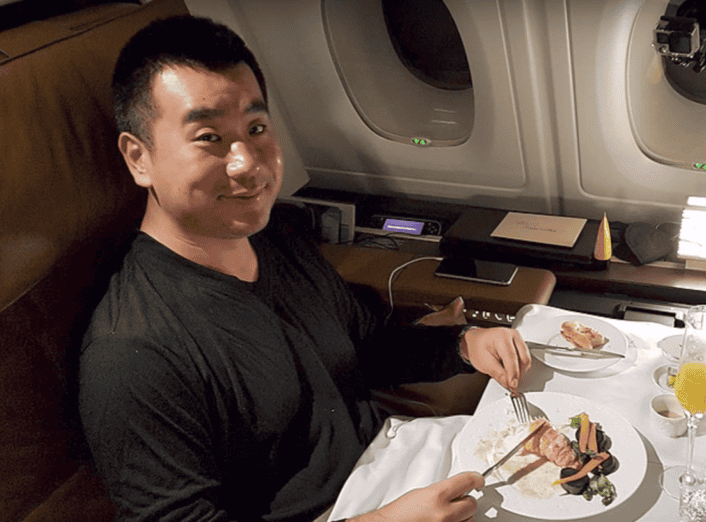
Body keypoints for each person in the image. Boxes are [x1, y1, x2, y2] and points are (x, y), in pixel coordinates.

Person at [78, 15, 531, 522]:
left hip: (394, 460)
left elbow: (369, 345)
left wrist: (464, 345)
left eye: (256, 128)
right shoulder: (131, 354)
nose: (247, 163)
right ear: (138, 158)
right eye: (208, 137)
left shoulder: (275, 239)